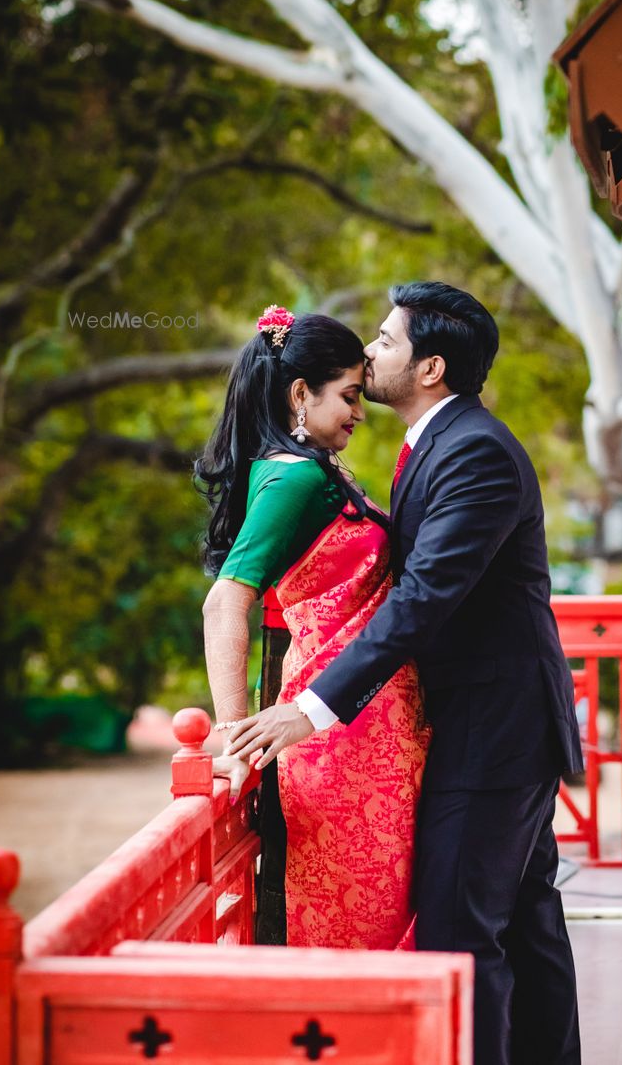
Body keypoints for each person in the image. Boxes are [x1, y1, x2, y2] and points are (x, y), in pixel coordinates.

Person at [228, 282, 584, 1065]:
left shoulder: (475, 451)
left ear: (429, 367)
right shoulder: (433, 447)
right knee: (523, 924)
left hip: (496, 729)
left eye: (386, 343)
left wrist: (311, 708)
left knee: (460, 936)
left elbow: (423, 599)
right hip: (483, 723)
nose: (370, 352)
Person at [198, 304, 429, 949]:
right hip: (337, 733)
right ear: (301, 394)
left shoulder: (317, 469)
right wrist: (233, 734)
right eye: (350, 397)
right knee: (357, 918)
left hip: (369, 722)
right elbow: (225, 603)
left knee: (384, 909)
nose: (360, 412)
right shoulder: (291, 478)